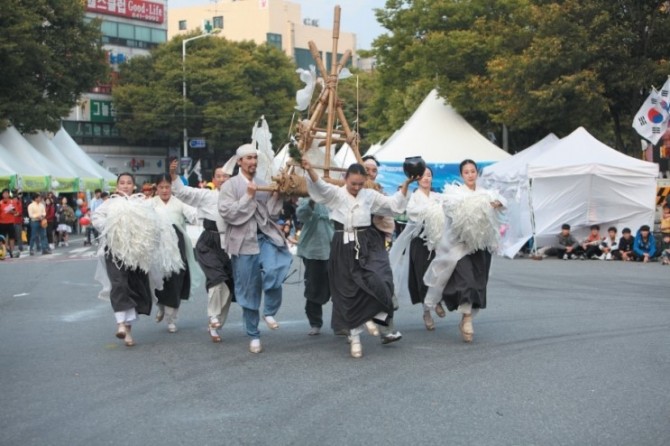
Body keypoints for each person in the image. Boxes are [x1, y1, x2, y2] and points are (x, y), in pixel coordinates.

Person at [302, 158, 415, 358]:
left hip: (366, 243)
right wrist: (310, 168)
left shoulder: (369, 195)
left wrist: (405, 186)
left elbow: (393, 205)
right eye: (353, 183)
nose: (356, 187)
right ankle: (355, 337)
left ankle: (381, 322)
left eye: (360, 184)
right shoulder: (336, 194)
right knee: (348, 291)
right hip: (342, 245)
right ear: (345, 179)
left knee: (380, 280)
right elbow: (319, 185)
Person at [92, 172, 183, 347]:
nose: (125, 185)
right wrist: (111, 226)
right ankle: (120, 323)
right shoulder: (109, 204)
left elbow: (154, 224)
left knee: (133, 288)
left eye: (128, 183)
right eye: (122, 183)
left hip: (137, 254)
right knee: (118, 284)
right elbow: (97, 219)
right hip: (115, 251)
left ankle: (127, 329)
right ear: (117, 186)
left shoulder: (142, 204)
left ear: (134, 186)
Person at [219, 144, 292, 354]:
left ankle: (269, 311)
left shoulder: (263, 184)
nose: (252, 162)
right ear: (240, 161)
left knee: (276, 268)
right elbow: (228, 213)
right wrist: (248, 197)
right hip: (243, 242)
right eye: (248, 158)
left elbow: (271, 214)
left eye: (254, 158)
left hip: (265, 237)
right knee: (249, 288)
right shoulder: (230, 186)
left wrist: (278, 196)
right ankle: (253, 334)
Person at [423, 159, 506, 343]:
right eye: (466, 172)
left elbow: (501, 201)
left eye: (473, 171)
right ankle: (467, 319)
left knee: (478, 283)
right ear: (461, 175)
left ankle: (466, 317)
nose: (470, 175)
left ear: (477, 173)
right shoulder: (455, 194)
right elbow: (450, 208)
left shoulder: (486, 193)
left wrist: (497, 204)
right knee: (466, 280)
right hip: (460, 247)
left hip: (480, 247)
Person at [171, 158, 235, 343]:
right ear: (214, 179)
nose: (223, 179)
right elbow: (183, 192)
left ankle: (216, 323)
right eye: (219, 176)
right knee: (217, 280)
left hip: (230, 244)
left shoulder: (238, 197)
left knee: (229, 287)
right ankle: (213, 316)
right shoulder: (206, 196)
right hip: (208, 243)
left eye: (226, 176)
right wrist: (174, 175)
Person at [389, 166, 446, 331]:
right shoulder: (413, 197)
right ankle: (426, 311)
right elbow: (412, 212)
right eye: (422, 176)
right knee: (423, 277)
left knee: (440, 274)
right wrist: (430, 210)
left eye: (429, 175)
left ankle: (437, 301)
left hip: (437, 241)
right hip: (419, 241)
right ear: (417, 179)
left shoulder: (438, 196)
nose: (426, 178)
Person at [152, 175, 204, 333]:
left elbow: (194, 216)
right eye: (161, 187)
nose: (164, 190)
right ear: (157, 189)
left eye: (167, 187)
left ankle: (171, 318)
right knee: (157, 278)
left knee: (175, 280)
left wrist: (205, 208)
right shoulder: (150, 203)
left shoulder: (179, 203)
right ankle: (160, 306)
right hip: (157, 245)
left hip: (177, 244)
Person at [295, 197, 335, 336]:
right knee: (314, 286)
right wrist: (311, 202)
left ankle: (340, 322)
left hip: (333, 246)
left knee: (339, 287)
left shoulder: (334, 195)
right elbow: (301, 216)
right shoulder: (305, 198)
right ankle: (315, 321)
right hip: (313, 249)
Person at [0, 189, 17, 258]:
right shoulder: (0, 202)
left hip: (10, 222)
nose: (5, 194)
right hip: (2, 222)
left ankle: (12, 251)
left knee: (11, 237)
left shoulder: (12, 202)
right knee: (2, 238)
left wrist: (11, 211)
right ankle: (3, 251)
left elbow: (15, 212)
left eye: (7, 193)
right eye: (4, 193)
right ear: (2, 194)